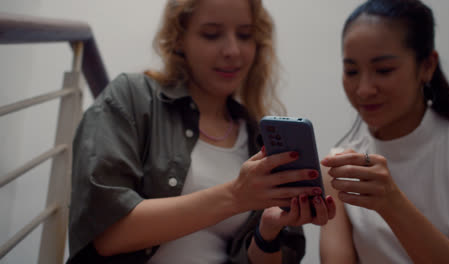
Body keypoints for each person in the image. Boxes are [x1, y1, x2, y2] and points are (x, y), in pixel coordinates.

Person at [66, 0, 335, 263]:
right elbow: (107, 234)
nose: (232, 50)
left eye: (245, 35)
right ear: (179, 38)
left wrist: (267, 234)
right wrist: (235, 196)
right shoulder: (132, 97)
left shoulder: (260, 137)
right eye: (211, 34)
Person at [319, 0, 449, 263]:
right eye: (351, 71)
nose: (363, 89)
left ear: (427, 66)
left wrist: (393, 205)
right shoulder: (339, 166)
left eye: (384, 70)